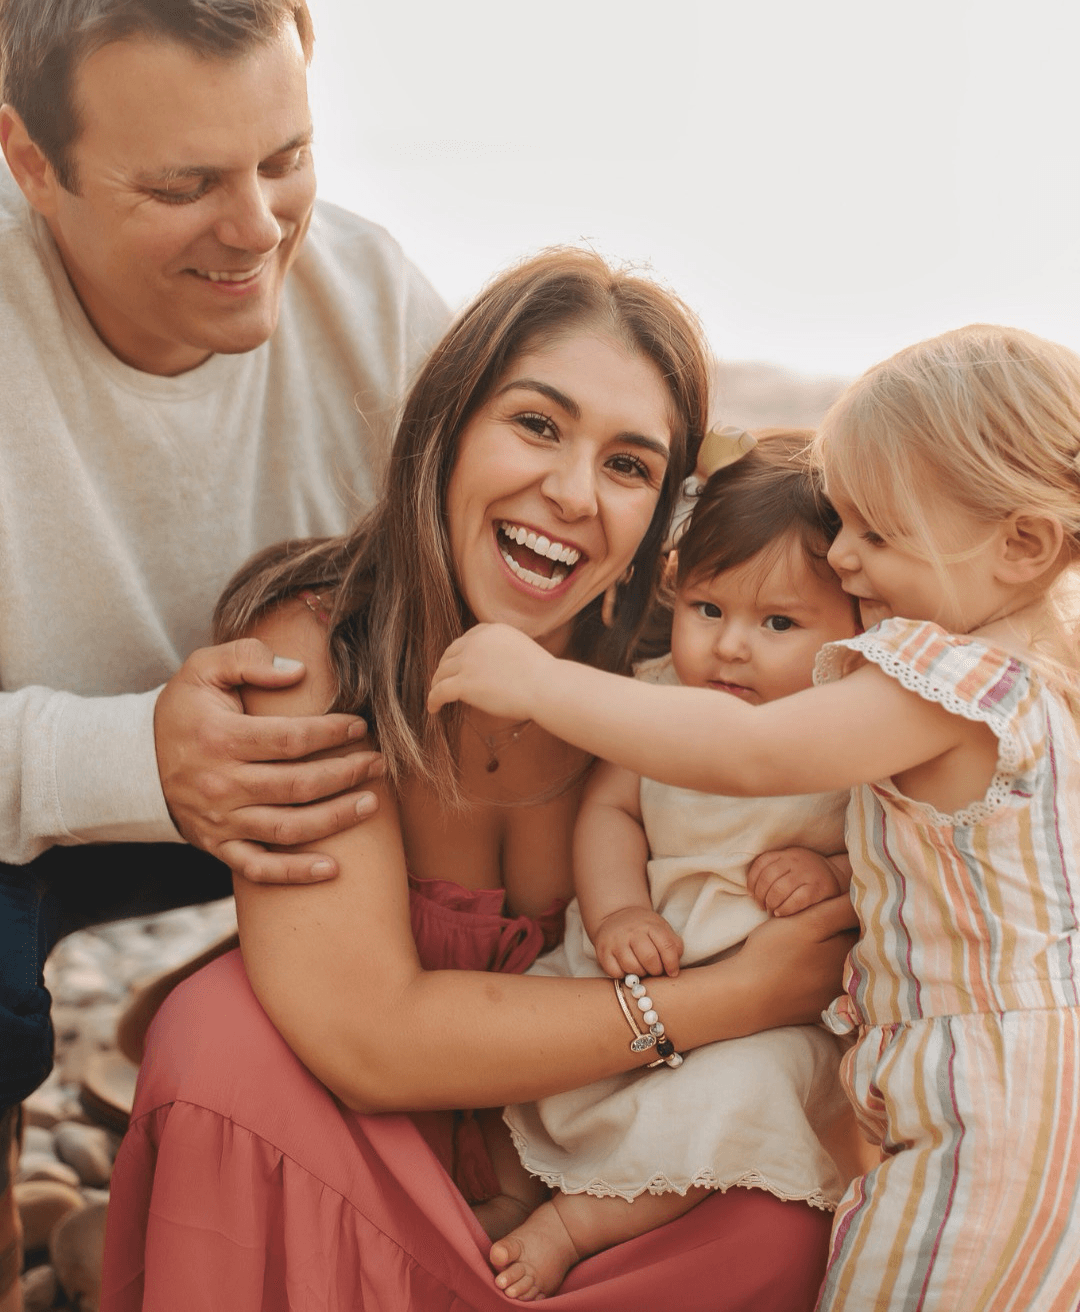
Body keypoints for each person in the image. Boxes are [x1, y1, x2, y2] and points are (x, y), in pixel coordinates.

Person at [102, 249, 856, 1312]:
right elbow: (368, 1035)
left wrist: (809, 871)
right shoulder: (321, 649)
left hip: (588, 1151)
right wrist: (731, 995)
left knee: (778, 1204)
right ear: (447, 425)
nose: (571, 493)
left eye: (629, 465)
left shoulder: (670, 668)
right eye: (538, 425)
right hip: (361, 1125)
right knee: (218, 1043)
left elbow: (837, 781)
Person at [429, 322, 1080, 1310]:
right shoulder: (1044, 679)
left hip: (985, 1078)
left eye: (877, 533)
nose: (846, 561)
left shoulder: (949, 676)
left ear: (1021, 543)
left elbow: (751, 752)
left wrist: (542, 683)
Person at [0, 0, 446, 1302]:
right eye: (183, 185)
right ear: (28, 157)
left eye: (287, 159)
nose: (257, 228)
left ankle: (180, 1083)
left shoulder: (369, 296)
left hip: (299, 799)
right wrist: (134, 755)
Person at [476, 428, 859, 1301]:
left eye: (779, 624)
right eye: (709, 610)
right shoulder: (653, 703)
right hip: (638, 957)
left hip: (760, 1013)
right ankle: (511, 1186)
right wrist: (617, 913)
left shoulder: (846, 733)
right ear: (676, 590)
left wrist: (830, 870)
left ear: (853, 629)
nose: (730, 647)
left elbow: (884, 853)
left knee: (744, 1098)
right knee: (530, 1044)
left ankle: (574, 1224)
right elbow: (611, 811)